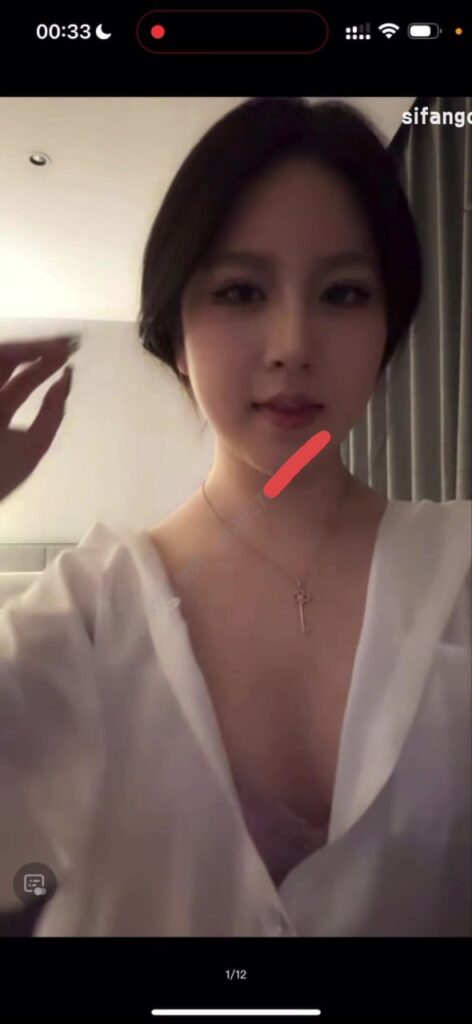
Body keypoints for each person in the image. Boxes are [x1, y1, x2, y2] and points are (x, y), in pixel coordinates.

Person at [0, 98, 470, 937]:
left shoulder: (460, 568)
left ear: (388, 328)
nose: (292, 343)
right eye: (240, 291)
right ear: (173, 335)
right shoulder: (79, 618)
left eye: (344, 292)